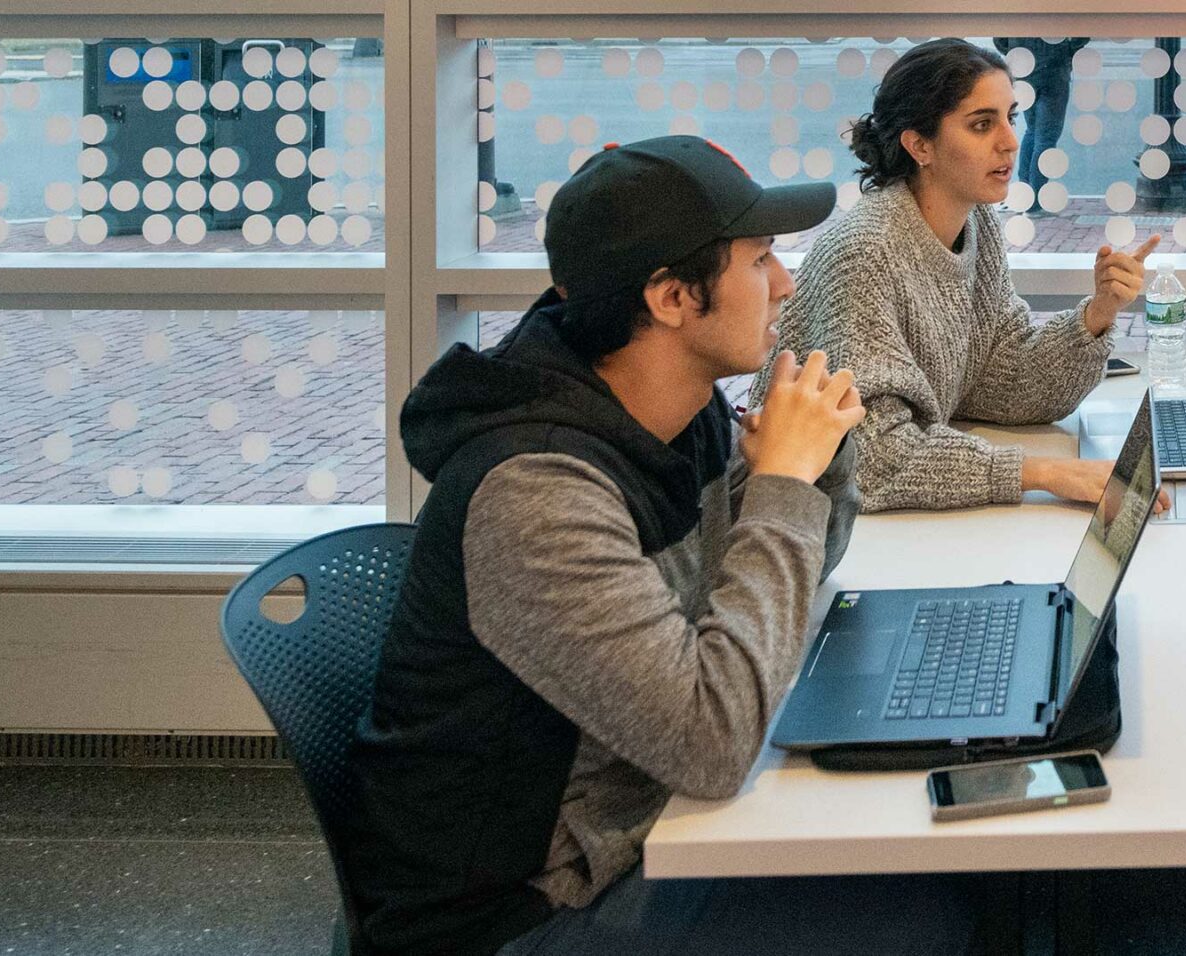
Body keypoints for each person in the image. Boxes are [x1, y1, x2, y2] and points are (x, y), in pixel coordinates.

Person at [343, 136, 972, 955]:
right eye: (758, 261)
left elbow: (794, 571)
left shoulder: (673, 407)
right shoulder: (537, 494)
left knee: (943, 857)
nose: (786, 282)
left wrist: (820, 450)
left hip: (649, 819)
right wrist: (781, 482)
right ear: (673, 297)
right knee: (941, 914)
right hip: (531, 916)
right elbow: (710, 743)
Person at [769, 38, 1159, 513]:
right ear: (919, 145)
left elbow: (1005, 381)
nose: (1011, 141)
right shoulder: (865, 254)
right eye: (981, 124)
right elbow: (869, 459)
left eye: (1010, 118)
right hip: (824, 526)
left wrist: (1098, 313)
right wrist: (1048, 473)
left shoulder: (975, 222)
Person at [992, 37, 1088, 196]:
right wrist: (1068, 51)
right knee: (1046, 137)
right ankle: (1035, 200)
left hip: (1024, 70)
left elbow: (1000, 37)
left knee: (1032, 131)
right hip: (1054, 68)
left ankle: (1025, 195)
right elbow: (1083, 32)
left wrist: (1016, 53)